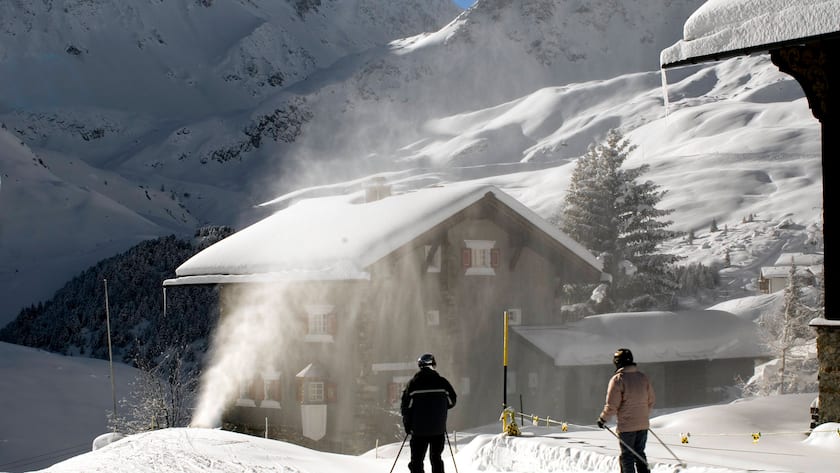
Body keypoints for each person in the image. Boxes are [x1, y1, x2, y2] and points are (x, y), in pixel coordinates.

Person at [597, 348, 655, 473]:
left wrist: (603, 419)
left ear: (617, 362)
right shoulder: (642, 377)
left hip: (627, 426)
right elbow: (651, 400)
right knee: (639, 453)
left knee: (627, 455)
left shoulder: (618, 380)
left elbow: (612, 405)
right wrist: (643, 415)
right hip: (643, 425)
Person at [400, 353, 457, 473]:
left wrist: (408, 426)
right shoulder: (442, 382)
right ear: (433, 365)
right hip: (438, 429)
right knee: (436, 459)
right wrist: (439, 408)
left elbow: (405, 407)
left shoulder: (413, 384)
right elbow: (452, 401)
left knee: (417, 461)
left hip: (418, 430)